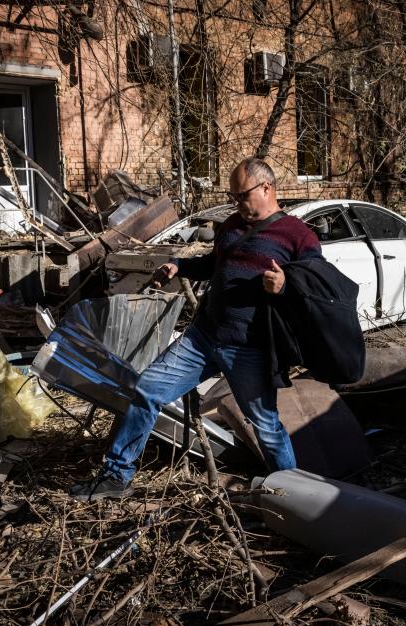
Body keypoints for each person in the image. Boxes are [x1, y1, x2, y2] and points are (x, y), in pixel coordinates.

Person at [68, 157, 324, 500]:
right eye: (232, 196)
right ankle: (117, 477)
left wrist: (285, 285)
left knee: (265, 425)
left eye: (241, 195)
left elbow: (318, 285)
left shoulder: (297, 235)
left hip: (248, 346)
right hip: (203, 338)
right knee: (147, 389)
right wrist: (179, 266)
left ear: (266, 187)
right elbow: (212, 265)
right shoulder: (232, 225)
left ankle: (292, 497)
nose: (236, 203)